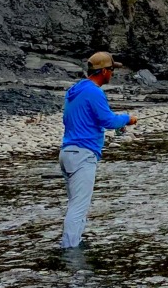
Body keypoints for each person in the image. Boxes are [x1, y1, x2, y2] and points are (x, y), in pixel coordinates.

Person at [58, 50, 137, 249]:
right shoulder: (94, 92)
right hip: (82, 156)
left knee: (75, 204)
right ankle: (70, 252)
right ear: (103, 71)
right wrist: (128, 118)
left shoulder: (75, 91)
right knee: (78, 208)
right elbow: (108, 120)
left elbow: (73, 119)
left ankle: (74, 243)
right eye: (111, 70)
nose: (112, 74)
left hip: (67, 154)